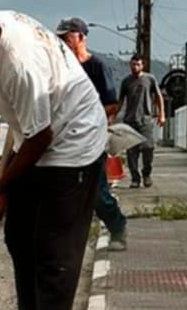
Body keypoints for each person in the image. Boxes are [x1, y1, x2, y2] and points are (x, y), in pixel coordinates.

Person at [0, 0, 107, 309]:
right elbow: (32, 131)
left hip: (74, 140)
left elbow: (41, 136)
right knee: (19, 236)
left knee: (53, 253)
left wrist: (1, 188)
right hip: (37, 133)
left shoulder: (19, 64)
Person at [56, 17, 127, 252]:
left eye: (67, 38)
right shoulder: (62, 68)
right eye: (60, 39)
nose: (63, 42)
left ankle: (118, 228)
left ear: (81, 37)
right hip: (65, 137)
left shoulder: (96, 67)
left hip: (92, 138)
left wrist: (92, 122)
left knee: (97, 192)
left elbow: (110, 104)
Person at [118, 55, 164, 188]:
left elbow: (158, 97)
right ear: (130, 65)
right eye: (133, 64)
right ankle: (135, 179)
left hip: (146, 120)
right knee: (132, 152)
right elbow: (120, 101)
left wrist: (162, 114)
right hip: (130, 120)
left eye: (138, 64)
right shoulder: (126, 81)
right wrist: (112, 115)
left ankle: (146, 174)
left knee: (148, 148)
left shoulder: (150, 79)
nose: (135, 67)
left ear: (142, 65)